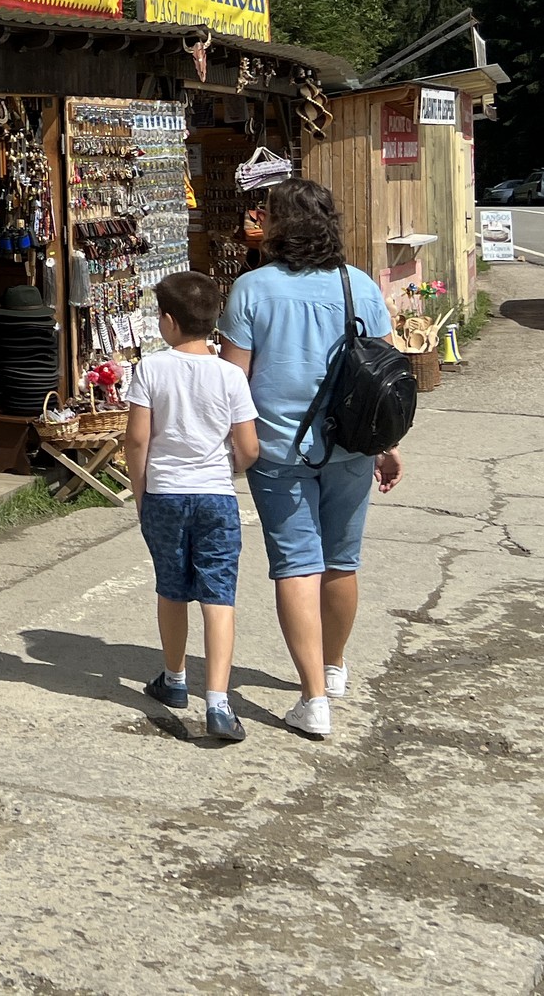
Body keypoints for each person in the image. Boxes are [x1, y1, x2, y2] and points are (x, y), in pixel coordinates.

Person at [219, 177, 404, 739]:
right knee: (342, 562)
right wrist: (387, 445)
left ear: (277, 226)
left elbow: (233, 381)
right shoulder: (358, 284)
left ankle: (313, 699)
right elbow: (382, 378)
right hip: (351, 445)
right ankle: (335, 666)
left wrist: (234, 450)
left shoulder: (251, 289)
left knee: (297, 565)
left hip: (276, 449)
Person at [122, 270, 260, 743]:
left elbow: (137, 440)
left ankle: (175, 679)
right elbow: (249, 447)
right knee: (219, 594)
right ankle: (218, 701)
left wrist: (141, 492)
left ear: (168, 320)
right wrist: (229, 467)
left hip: (165, 494)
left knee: (171, 587)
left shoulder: (151, 369)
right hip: (216, 495)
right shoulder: (231, 375)